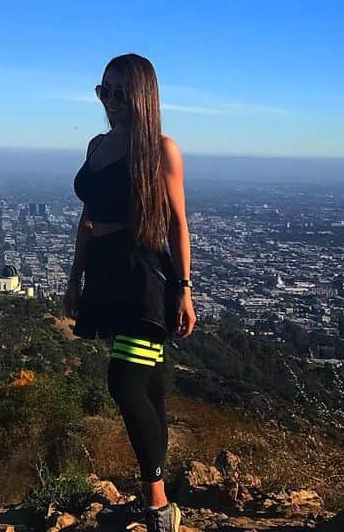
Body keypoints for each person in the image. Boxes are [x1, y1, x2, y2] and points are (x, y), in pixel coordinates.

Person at [64, 53, 197, 532]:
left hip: (143, 275)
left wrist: (184, 290)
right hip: (104, 272)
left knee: (124, 381)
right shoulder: (97, 145)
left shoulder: (161, 150)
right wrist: (74, 276)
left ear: (143, 96)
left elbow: (179, 224)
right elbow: (88, 217)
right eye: (105, 92)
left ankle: (159, 505)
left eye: (122, 93)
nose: (112, 102)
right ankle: (157, 496)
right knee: (148, 386)